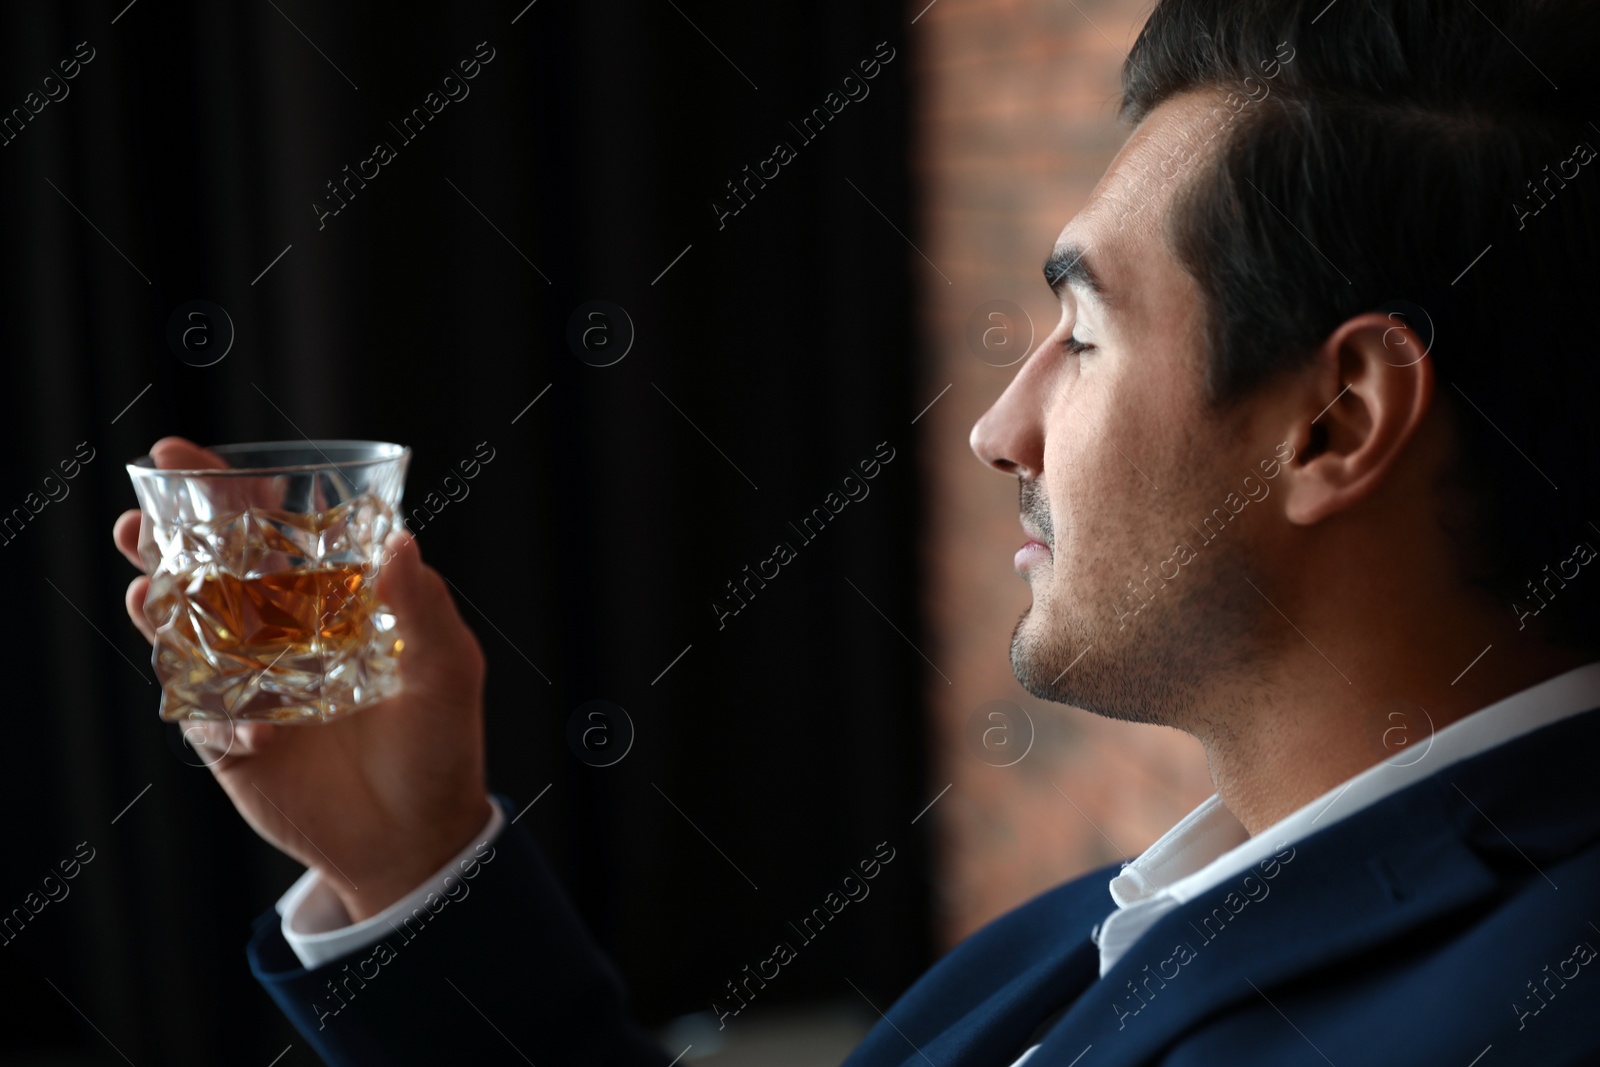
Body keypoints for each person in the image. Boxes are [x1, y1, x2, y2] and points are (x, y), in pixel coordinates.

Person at [114, 0, 1600, 1063]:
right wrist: (406, 862)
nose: (996, 429)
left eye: (1079, 338)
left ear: (1335, 421)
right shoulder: (1094, 925)